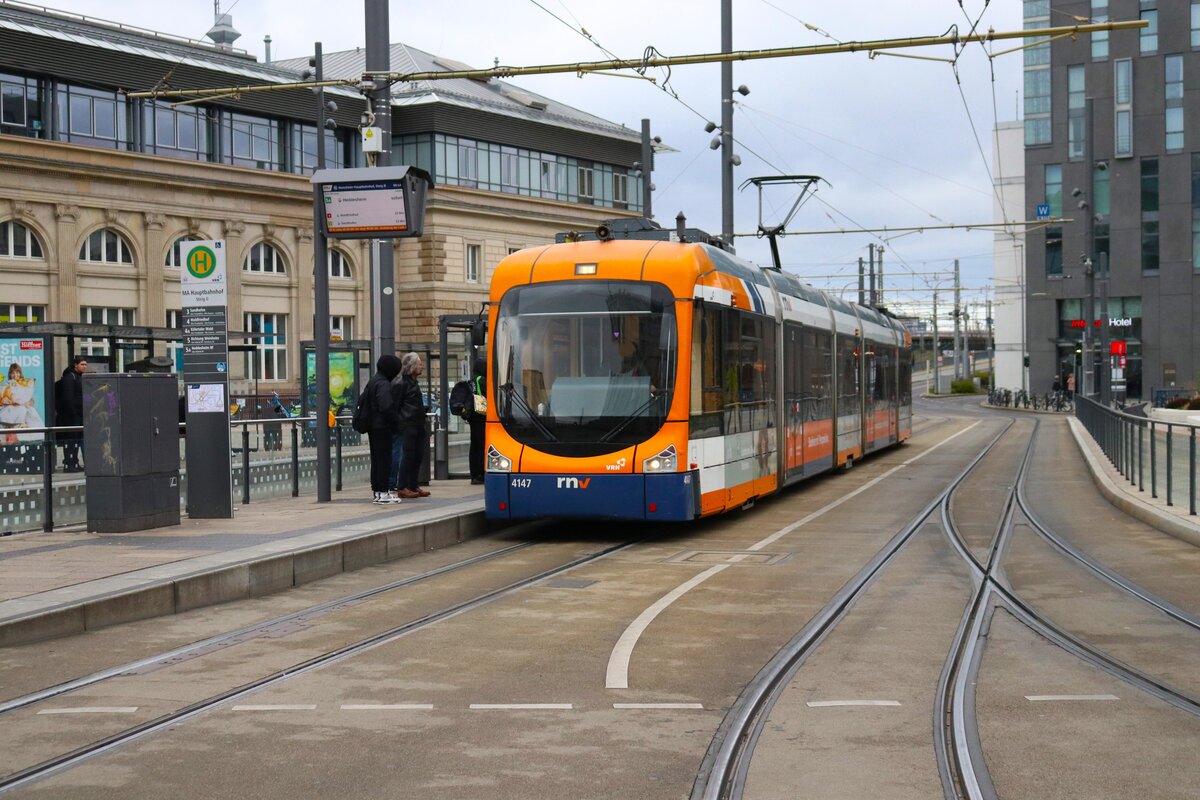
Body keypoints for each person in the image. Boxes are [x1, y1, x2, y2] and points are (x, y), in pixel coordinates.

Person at [365, 354, 403, 505]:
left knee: (377, 460)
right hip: (382, 427)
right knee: (384, 460)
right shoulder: (383, 384)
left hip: (373, 426)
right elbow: (386, 406)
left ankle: (377, 492)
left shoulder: (373, 381)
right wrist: (395, 421)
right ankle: (383, 493)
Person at [393, 352, 430, 499]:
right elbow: (396, 405)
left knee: (417, 456)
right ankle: (402, 486)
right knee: (408, 456)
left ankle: (413, 485)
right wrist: (400, 422)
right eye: (419, 364)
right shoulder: (401, 384)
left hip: (418, 423)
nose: (421, 367)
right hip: (408, 425)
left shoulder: (414, 383)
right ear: (412, 366)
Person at [1, 362, 45, 446]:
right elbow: (3, 399)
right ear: (10, 374)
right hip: (9, 410)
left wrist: (28, 402)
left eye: (17, 372)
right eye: (13, 373)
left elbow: (31, 399)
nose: (15, 375)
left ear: (20, 373)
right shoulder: (6, 385)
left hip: (23, 410)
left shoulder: (25, 384)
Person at [53, 356, 85, 470]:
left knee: (75, 440)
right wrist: (74, 413)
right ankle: (70, 463)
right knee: (71, 440)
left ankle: (73, 462)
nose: (84, 367)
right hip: (71, 416)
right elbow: (68, 398)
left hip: (76, 415)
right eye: (82, 364)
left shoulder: (76, 377)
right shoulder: (70, 378)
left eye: (85, 364)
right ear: (75, 365)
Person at [468, 356, 486, 485]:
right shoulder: (482, 380)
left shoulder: (471, 380)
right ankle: (480, 473)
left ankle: (474, 474)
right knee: (481, 446)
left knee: (474, 446)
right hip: (481, 415)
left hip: (472, 416)